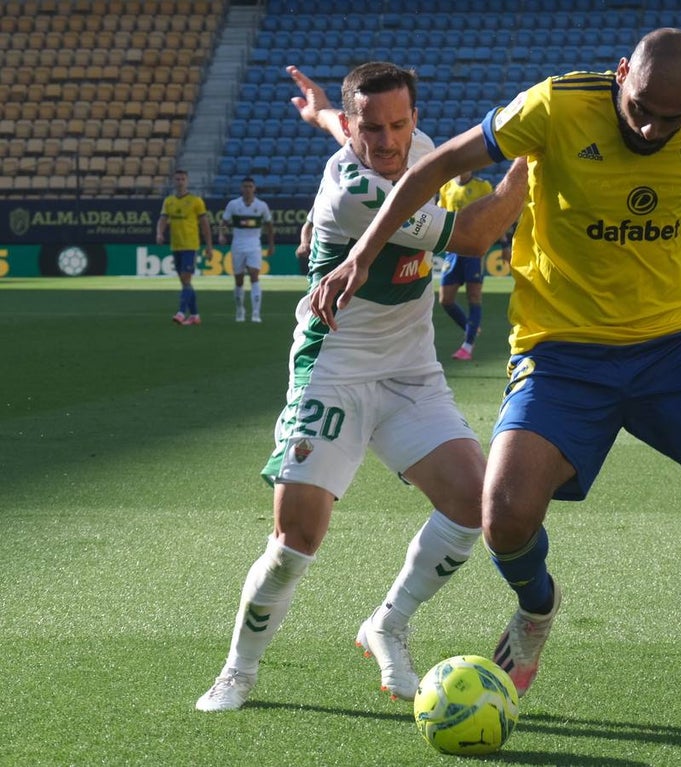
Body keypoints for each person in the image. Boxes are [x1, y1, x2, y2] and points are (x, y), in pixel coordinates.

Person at [308, 28, 681, 732]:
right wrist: (361, 255)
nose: (654, 127)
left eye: (670, 117)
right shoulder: (555, 105)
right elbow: (435, 166)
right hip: (560, 351)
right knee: (502, 515)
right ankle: (537, 607)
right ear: (621, 74)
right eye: (642, 108)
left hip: (674, 346)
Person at [194, 61, 527, 712]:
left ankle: (389, 622)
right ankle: (238, 669)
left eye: (400, 123)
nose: (389, 141)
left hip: (410, 370)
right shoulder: (354, 190)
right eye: (371, 129)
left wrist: (318, 110)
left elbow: (338, 124)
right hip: (333, 369)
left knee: (473, 504)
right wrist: (531, 163)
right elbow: (475, 233)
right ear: (356, 131)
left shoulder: (416, 150)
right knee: (297, 540)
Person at [436, 170, 503, 360]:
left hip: (474, 250)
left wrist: (503, 243)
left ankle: (468, 345)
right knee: (445, 300)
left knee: (474, 296)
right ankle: (471, 327)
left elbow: (494, 217)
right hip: (453, 251)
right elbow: (441, 215)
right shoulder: (446, 187)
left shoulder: (483, 187)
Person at [157, 168, 212, 325]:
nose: (180, 182)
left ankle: (181, 312)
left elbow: (205, 224)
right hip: (176, 245)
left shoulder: (196, 201)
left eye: (182, 179)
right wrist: (159, 233)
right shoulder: (169, 201)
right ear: (173, 181)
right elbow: (162, 219)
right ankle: (195, 315)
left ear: (187, 181)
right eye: (177, 179)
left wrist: (209, 246)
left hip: (190, 245)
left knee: (186, 278)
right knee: (185, 282)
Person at [219, 176, 275, 323]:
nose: (247, 189)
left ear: (254, 188)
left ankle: (256, 313)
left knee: (254, 275)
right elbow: (223, 222)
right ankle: (240, 310)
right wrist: (221, 234)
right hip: (237, 244)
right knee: (238, 280)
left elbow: (269, 226)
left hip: (254, 245)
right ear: (241, 188)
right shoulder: (233, 205)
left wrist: (271, 245)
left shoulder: (262, 206)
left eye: (250, 186)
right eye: (245, 186)